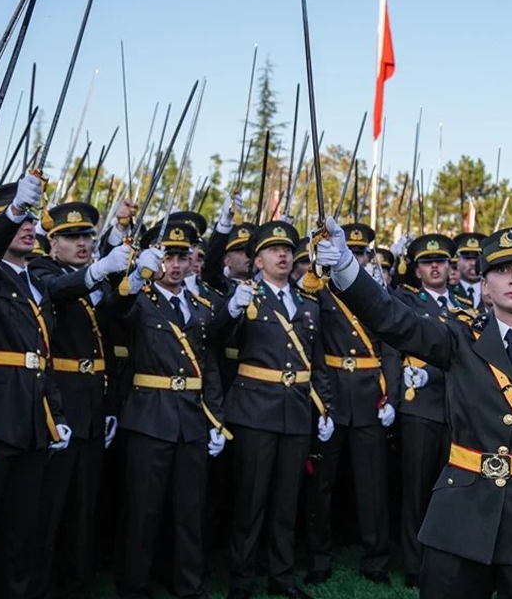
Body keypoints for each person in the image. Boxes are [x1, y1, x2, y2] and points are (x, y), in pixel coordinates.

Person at [315, 220, 512, 598]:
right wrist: (346, 265)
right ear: (485, 286)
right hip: (459, 517)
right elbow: (392, 319)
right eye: (502, 271)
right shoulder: (459, 338)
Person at [0, 176, 74, 599]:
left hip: (32, 421)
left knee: (21, 533)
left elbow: (43, 359)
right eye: (18, 218)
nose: (28, 226)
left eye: (30, 218)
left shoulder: (36, 285)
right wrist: (7, 218)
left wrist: (56, 415)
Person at [113, 219, 229, 599]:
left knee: (189, 511)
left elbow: (209, 366)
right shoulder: (139, 299)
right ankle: (135, 586)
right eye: (167, 257)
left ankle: (188, 585)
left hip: (191, 421)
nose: (175, 265)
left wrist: (215, 417)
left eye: (182, 257)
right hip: (150, 417)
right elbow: (114, 313)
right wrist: (132, 276)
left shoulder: (200, 306)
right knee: (143, 511)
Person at [223, 220, 334, 599]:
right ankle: (242, 577)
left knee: (287, 501)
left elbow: (316, 361)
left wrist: (325, 408)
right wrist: (233, 309)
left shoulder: (307, 302)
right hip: (255, 409)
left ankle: (281, 576)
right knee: (250, 501)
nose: (283, 255)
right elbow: (218, 338)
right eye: (273, 249)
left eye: (287, 249)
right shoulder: (246, 296)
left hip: (296, 412)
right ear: (258, 259)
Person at [28, 201, 132, 599]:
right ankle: (41, 586)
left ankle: (76, 585)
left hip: (91, 405)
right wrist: (99, 271)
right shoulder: (42, 271)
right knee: (49, 508)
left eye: (87, 236)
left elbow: (108, 320)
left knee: (82, 510)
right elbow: (59, 292)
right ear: (52, 244)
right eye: (71, 237)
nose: (83, 243)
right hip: (59, 404)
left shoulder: (96, 280)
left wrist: (129, 283)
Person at [304, 222, 400, 586]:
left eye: (361, 254)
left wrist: (391, 396)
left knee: (372, 484)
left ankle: (375, 560)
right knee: (322, 484)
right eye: (352, 252)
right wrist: (321, 400)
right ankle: (318, 556)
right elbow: (311, 347)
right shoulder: (320, 290)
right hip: (331, 393)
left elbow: (390, 348)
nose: (356, 259)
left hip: (369, 396)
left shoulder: (373, 293)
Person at [390, 233, 458, 587]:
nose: (435, 266)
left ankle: (444, 560)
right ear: (416, 270)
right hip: (421, 407)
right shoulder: (407, 299)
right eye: (428, 262)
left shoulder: (463, 303)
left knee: (450, 492)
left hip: (456, 408)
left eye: (441, 261)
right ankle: (415, 565)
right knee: (416, 491)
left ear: (450, 267)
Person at [453, 232, 487, 310]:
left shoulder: (493, 293)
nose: (473, 263)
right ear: (458, 262)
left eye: (477, 258)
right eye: (467, 258)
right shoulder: (447, 293)